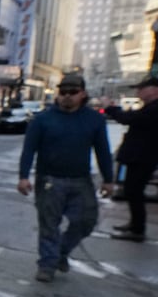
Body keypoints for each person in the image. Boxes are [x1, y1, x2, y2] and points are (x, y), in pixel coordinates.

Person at [17, 72, 114, 282]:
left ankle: (61, 251)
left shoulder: (94, 120)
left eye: (73, 92)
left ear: (83, 94)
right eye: (63, 92)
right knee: (49, 224)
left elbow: (103, 151)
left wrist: (108, 179)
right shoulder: (43, 119)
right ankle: (47, 265)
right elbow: (29, 150)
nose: (67, 96)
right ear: (58, 94)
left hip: (81, 180)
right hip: (50, 179)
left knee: (86, 221)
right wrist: (24, 176)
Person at [104, 77, 158, 242]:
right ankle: (134, 224)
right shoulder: (152, 107)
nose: (138, 92)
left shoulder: (157, 108)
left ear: (153, 90)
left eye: (142, 88)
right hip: (140, 156)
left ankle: (137, 230)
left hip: (143, 157)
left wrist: (110, 108)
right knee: (131, 191)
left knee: (134, 192)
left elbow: (129, 118)